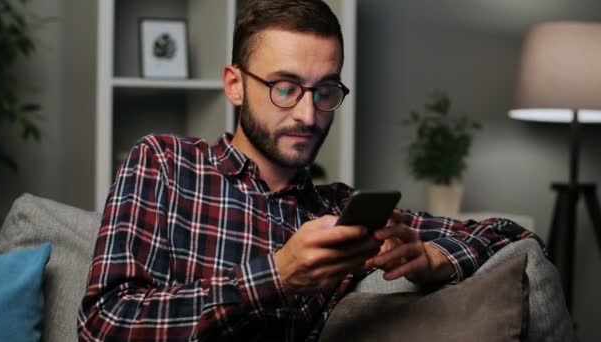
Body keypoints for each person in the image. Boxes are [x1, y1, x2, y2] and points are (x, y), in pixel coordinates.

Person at [78, 0, 572, 341]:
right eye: (286, 87)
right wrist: (277, 275)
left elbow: (512, 235)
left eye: (325, 91)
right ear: (234, 84)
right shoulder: (165, 164)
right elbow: (103, 325)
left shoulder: (337, 211)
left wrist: (434, 261)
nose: (309, 114)